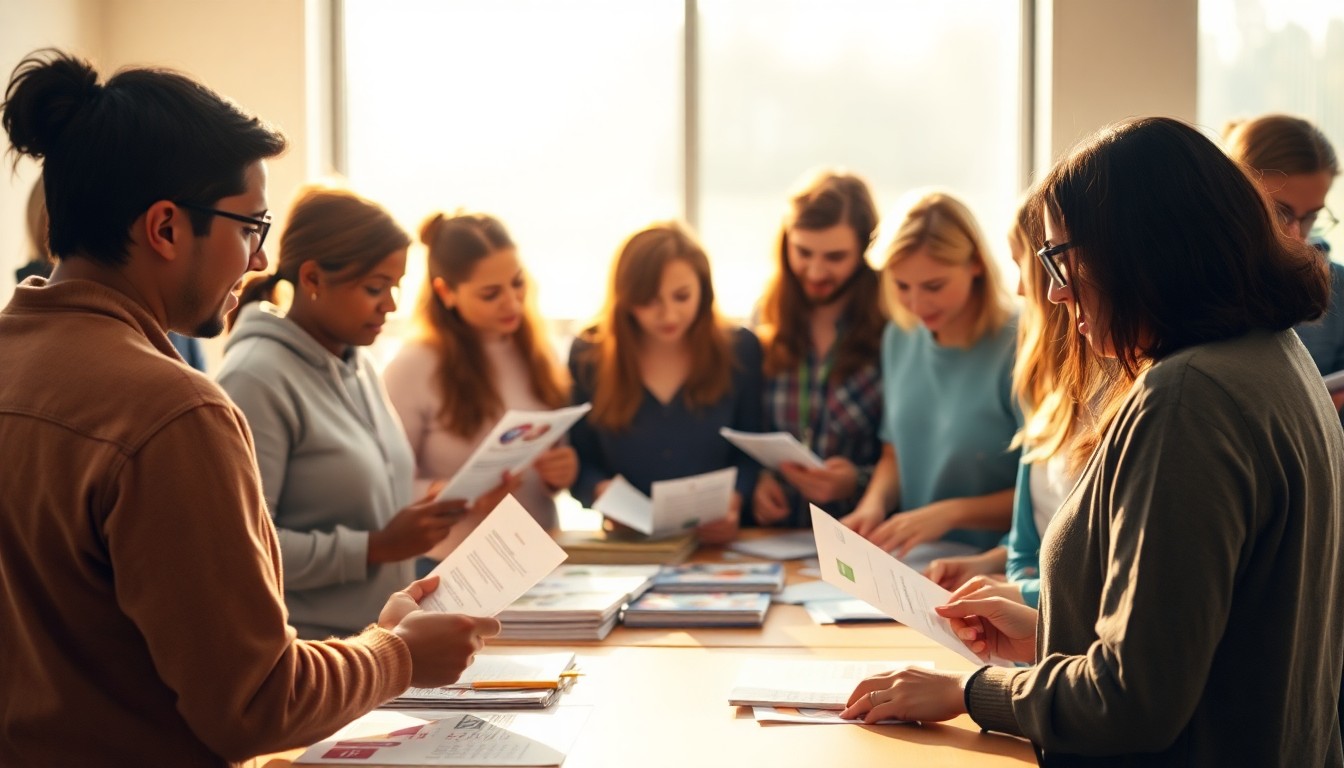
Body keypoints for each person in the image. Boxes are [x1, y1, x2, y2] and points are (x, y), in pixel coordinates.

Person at [0, 49, 498, 766]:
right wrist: (397, 657)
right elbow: (257, 704)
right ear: (166, 229)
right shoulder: (171, 412)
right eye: (248, 229)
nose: (262, 263)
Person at [842, 117, 1344, 766]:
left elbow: (1131, 703)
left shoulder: (1188, 397)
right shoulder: (1272, 356)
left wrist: (971, 692)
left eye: (1058, 258)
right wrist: (1051, 631)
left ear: (1134, 250)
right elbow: (1203, 638)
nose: (1052, 291)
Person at [217, 186, 491, 639]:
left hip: (378, 643)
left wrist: (418, 514)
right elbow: (243, 550)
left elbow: (362, 498)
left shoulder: (358, 362)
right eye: (374, 288)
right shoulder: (256, 379)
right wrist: (377, 547)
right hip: (311, 652)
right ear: (313, 279)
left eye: (396, 286)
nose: (391, 305)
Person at [839, 191, 1019, 564]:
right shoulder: (900, 337)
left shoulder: (1020, 344)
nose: (917, 305)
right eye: (902, 287)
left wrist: (949, 513)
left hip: (996, 565)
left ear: (976, 265)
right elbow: (895, 451)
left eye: (934, 286)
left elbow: (1050, 493)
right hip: (918, 561)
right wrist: (872, 505)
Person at [383, 212, 574, 563]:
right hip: (450, 566)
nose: (512, 303)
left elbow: (553, 456)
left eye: (518, 283)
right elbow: (384, 486)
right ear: (446, 292)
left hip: (538, 560)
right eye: (490, 294)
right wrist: (457, 495)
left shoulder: (538, 353)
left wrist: (560, 474)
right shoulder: (414, 367)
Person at [924, 197, 1086, 607]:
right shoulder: (1044, 383)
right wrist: (988, 565)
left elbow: (1088, 572)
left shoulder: (1121, 395)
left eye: (1022, 265)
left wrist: (1017, 592)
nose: (1018, 288)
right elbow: (1031, 536)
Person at [568, 220, 763, 544]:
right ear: (625, 298)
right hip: (630, 544)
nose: (669, 315)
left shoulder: (740, 349)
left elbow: (752, 448)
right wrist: (601, 494)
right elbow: (581, 461)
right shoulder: (589, 355)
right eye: (649, 300)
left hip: (718, 542)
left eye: (682, 296)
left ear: (704, 289)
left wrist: (736, 500)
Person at [751, 169, 884, 528]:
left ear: (865, 249)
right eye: (803, 252)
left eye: (835, 257)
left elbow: (909, 452)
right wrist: (756, 482)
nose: (814, 271)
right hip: (773, 536)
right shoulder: (765, 314)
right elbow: (744, 423)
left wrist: (854, 480)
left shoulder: (892, 321)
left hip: (861, 537)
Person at [1224, 115, 1344, 397]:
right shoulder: (1192, 280)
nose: (1295, 236)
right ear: (1234, 194)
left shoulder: (1337, 286)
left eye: (1311, 217)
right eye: (1280, 212)